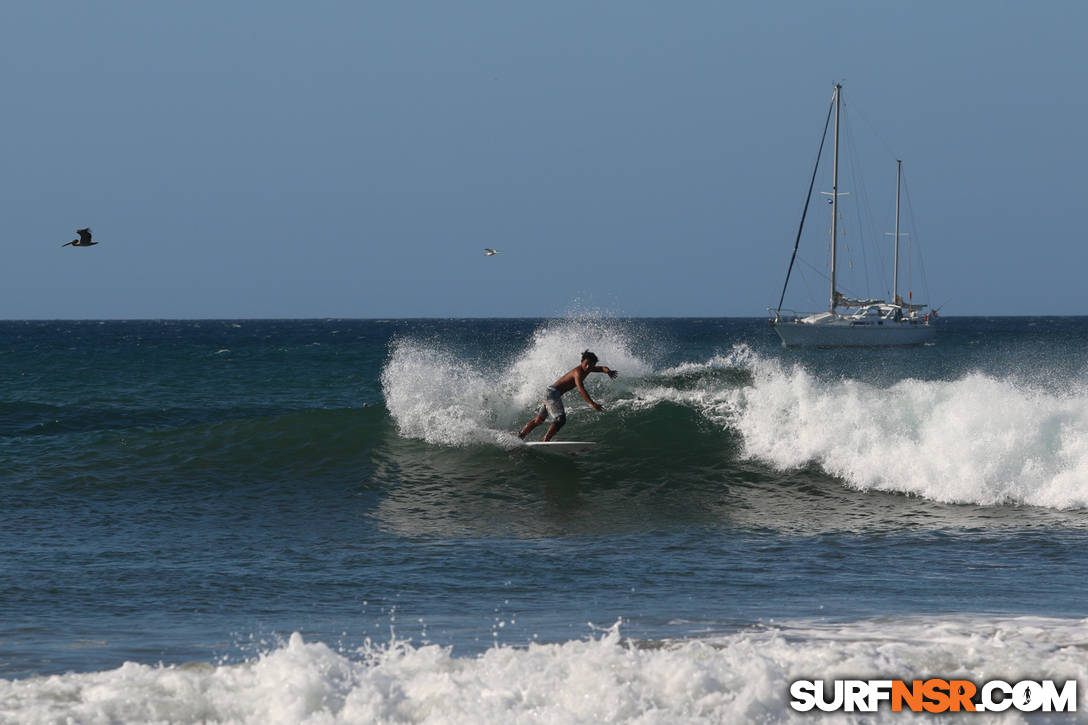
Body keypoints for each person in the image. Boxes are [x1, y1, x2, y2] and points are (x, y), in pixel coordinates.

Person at [518, 350, 618, 442]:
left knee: (538, 420)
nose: (588, 367)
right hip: (553, 393)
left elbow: (601, 368)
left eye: (591, 365)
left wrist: (608, 371)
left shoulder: (588, 369)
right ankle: (545, 440)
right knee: (560, 419)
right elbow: (580, 389)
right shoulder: (578, 372)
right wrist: (592, 403)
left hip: (549, 392)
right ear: (582, 362)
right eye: (586, 364)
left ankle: (521, 436)